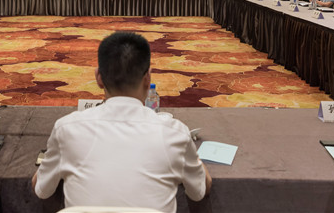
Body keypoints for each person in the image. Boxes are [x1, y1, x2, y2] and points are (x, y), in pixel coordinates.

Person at [33, 32, 211, 212]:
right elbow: (200, 190)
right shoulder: (175, 133)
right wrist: (190, 152)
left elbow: (42, 189)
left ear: (98, 77)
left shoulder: (66, 129)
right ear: (148, 78)